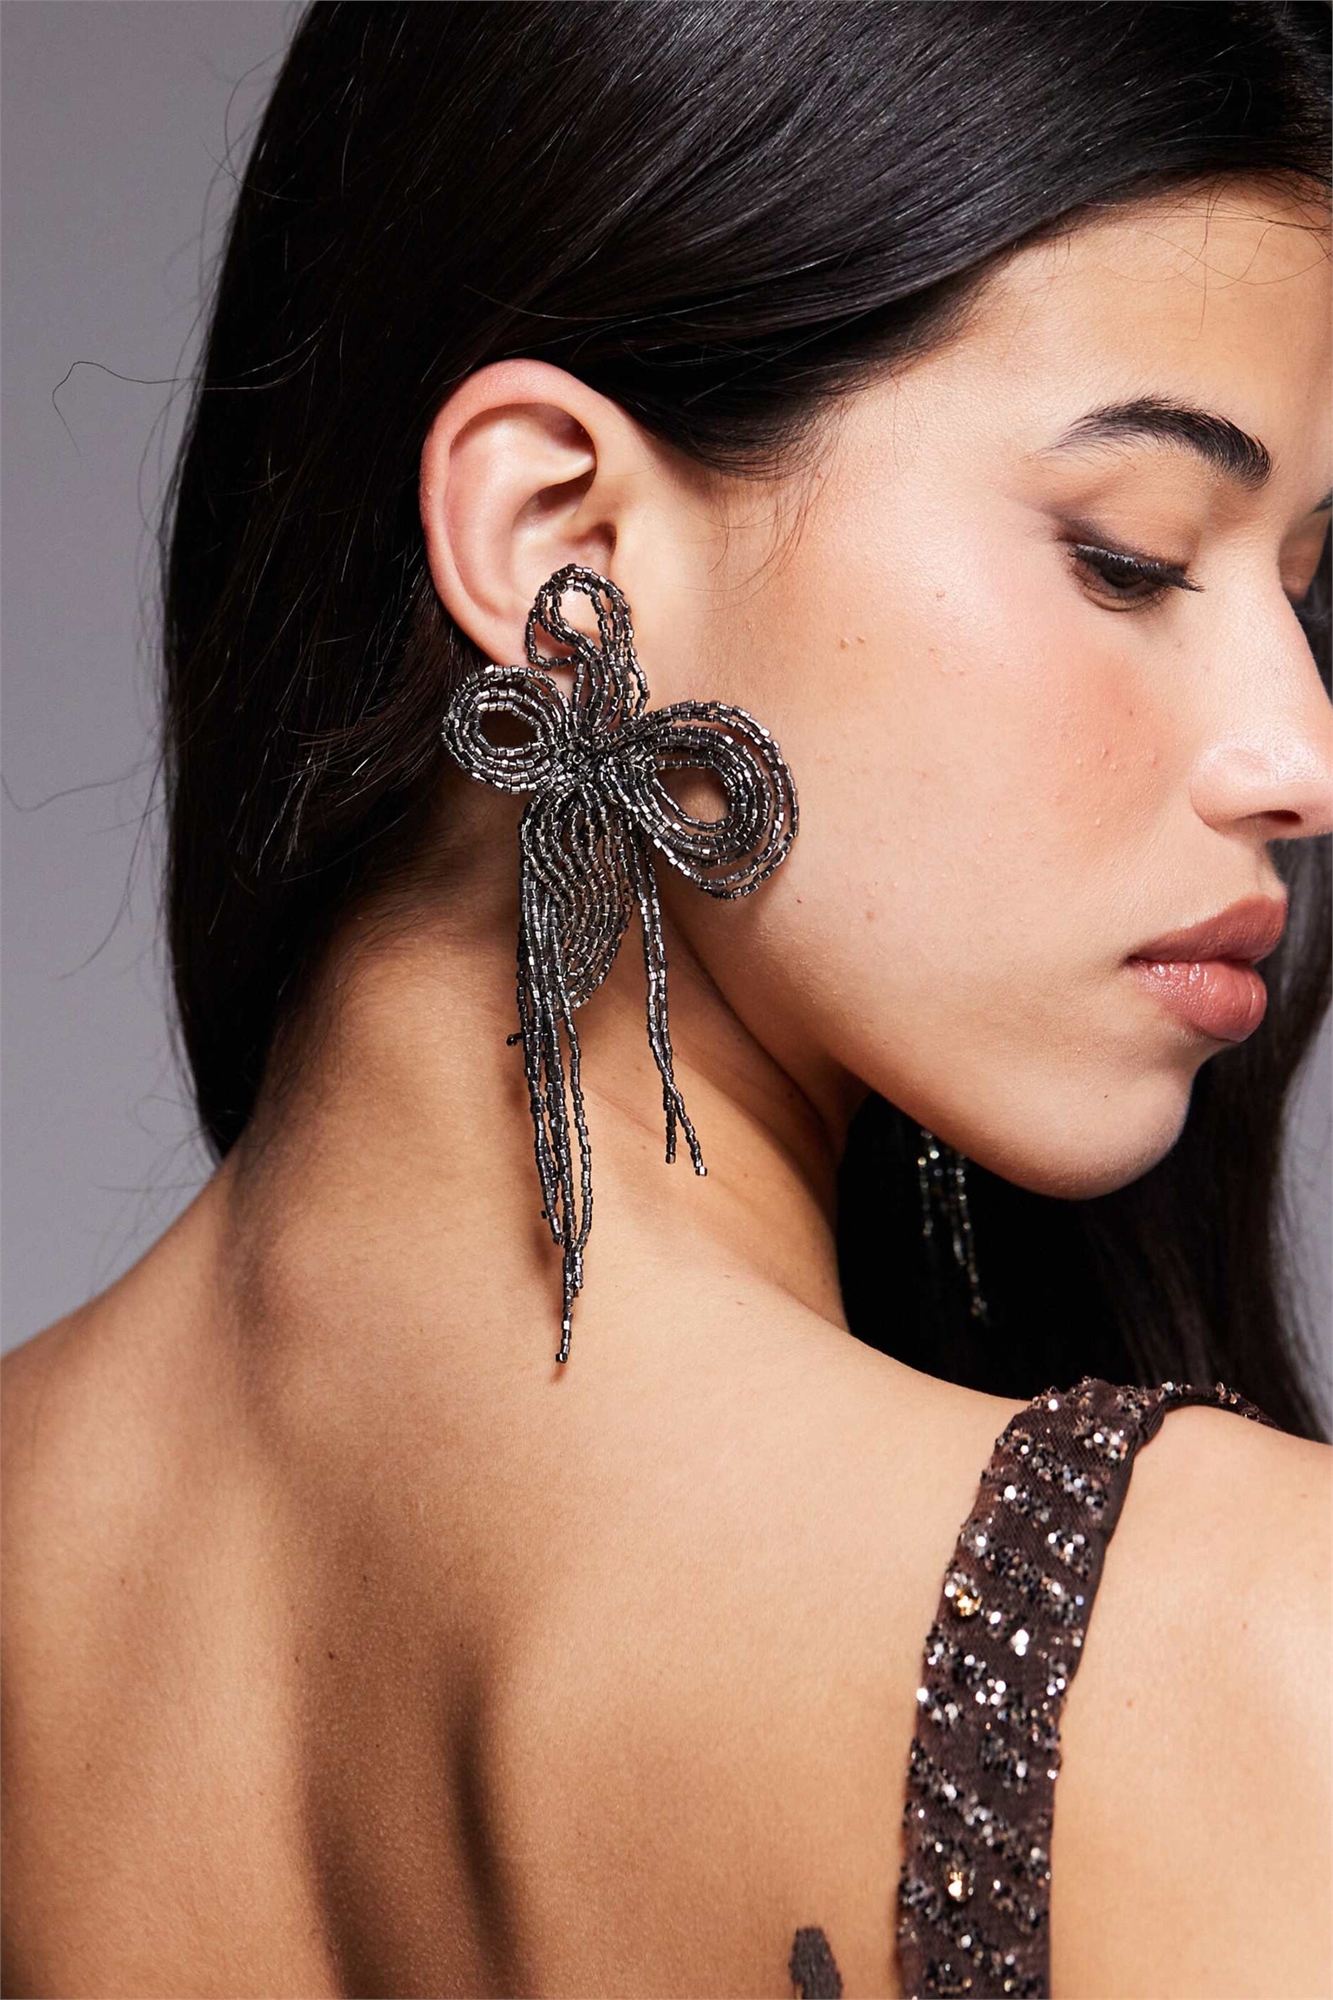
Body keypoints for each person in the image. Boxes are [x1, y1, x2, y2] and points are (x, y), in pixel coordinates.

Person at [3, 4, 1331, 1994]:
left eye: (1301, 591)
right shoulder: (1238, 1659)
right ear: (559, 543)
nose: (1300, 753)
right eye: (1128, 555)